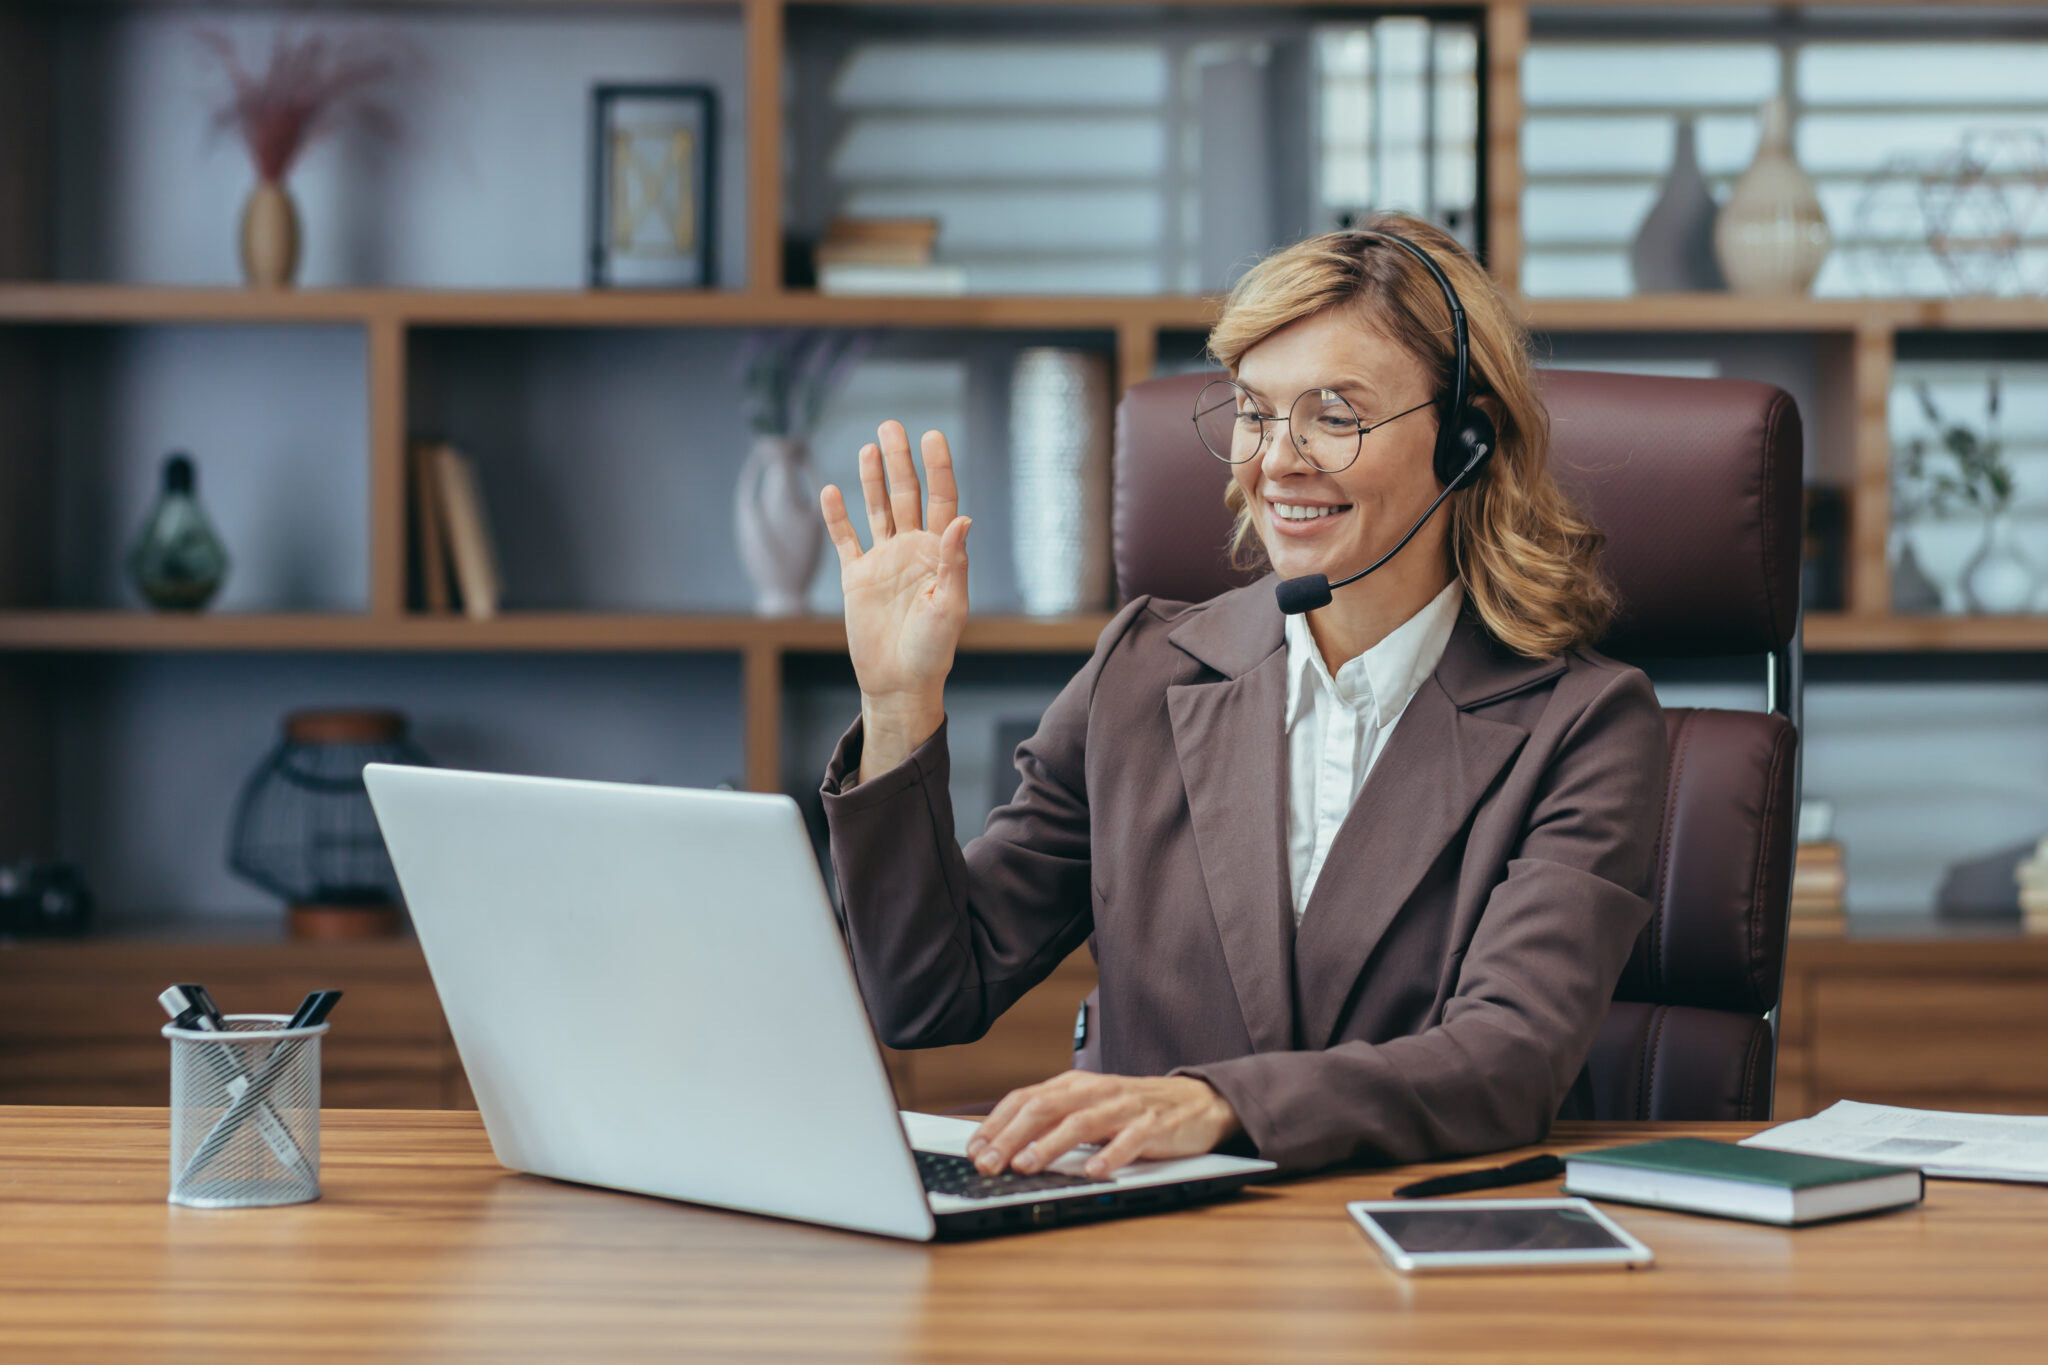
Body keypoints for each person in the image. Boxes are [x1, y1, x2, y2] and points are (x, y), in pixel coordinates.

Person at [814, 213, 1668, 1180]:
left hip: (1412, 1254)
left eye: (1335, 414)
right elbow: (925, 994)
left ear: (1467, 441)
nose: (1277, 460)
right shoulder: (1140, 672)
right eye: (1256, 412)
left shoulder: (1584, 725)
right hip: (1148, 1251)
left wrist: (1216, 1103)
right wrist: (898, 703)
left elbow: (1509, 1060)